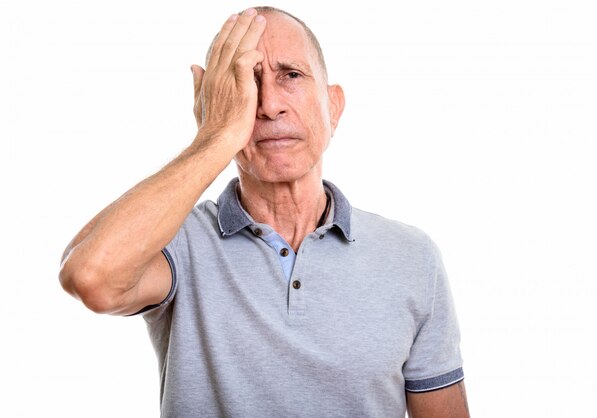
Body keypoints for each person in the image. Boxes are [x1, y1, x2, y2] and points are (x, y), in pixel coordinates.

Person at [59, 6, 469, 417]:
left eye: (291, 75)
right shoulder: (178, 244)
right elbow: (90, 276)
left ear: (334, 107)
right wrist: (216, 136)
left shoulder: (412, 257)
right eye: (247, 82)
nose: (270, 104)